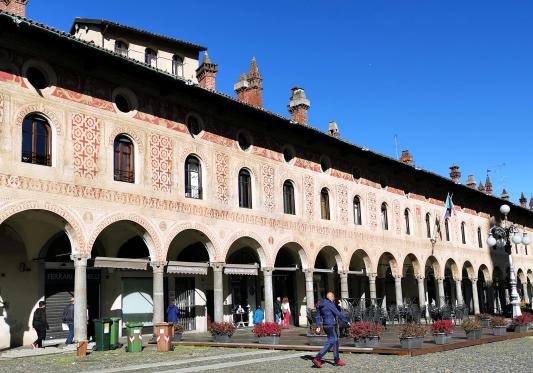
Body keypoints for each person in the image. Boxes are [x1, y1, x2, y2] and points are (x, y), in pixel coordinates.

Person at [312, 292, 348, 368]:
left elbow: (317, 316)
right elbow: (338, 313)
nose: (334, 299)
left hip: (325, 325)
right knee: (332, 340)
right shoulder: (329, 304)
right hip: (331, 325)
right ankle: (318, 358)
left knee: (335, 341)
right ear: (331, 297)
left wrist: (318, 326)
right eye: (333, 298)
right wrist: (346, 321)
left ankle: (337, 359)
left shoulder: (320, 304)